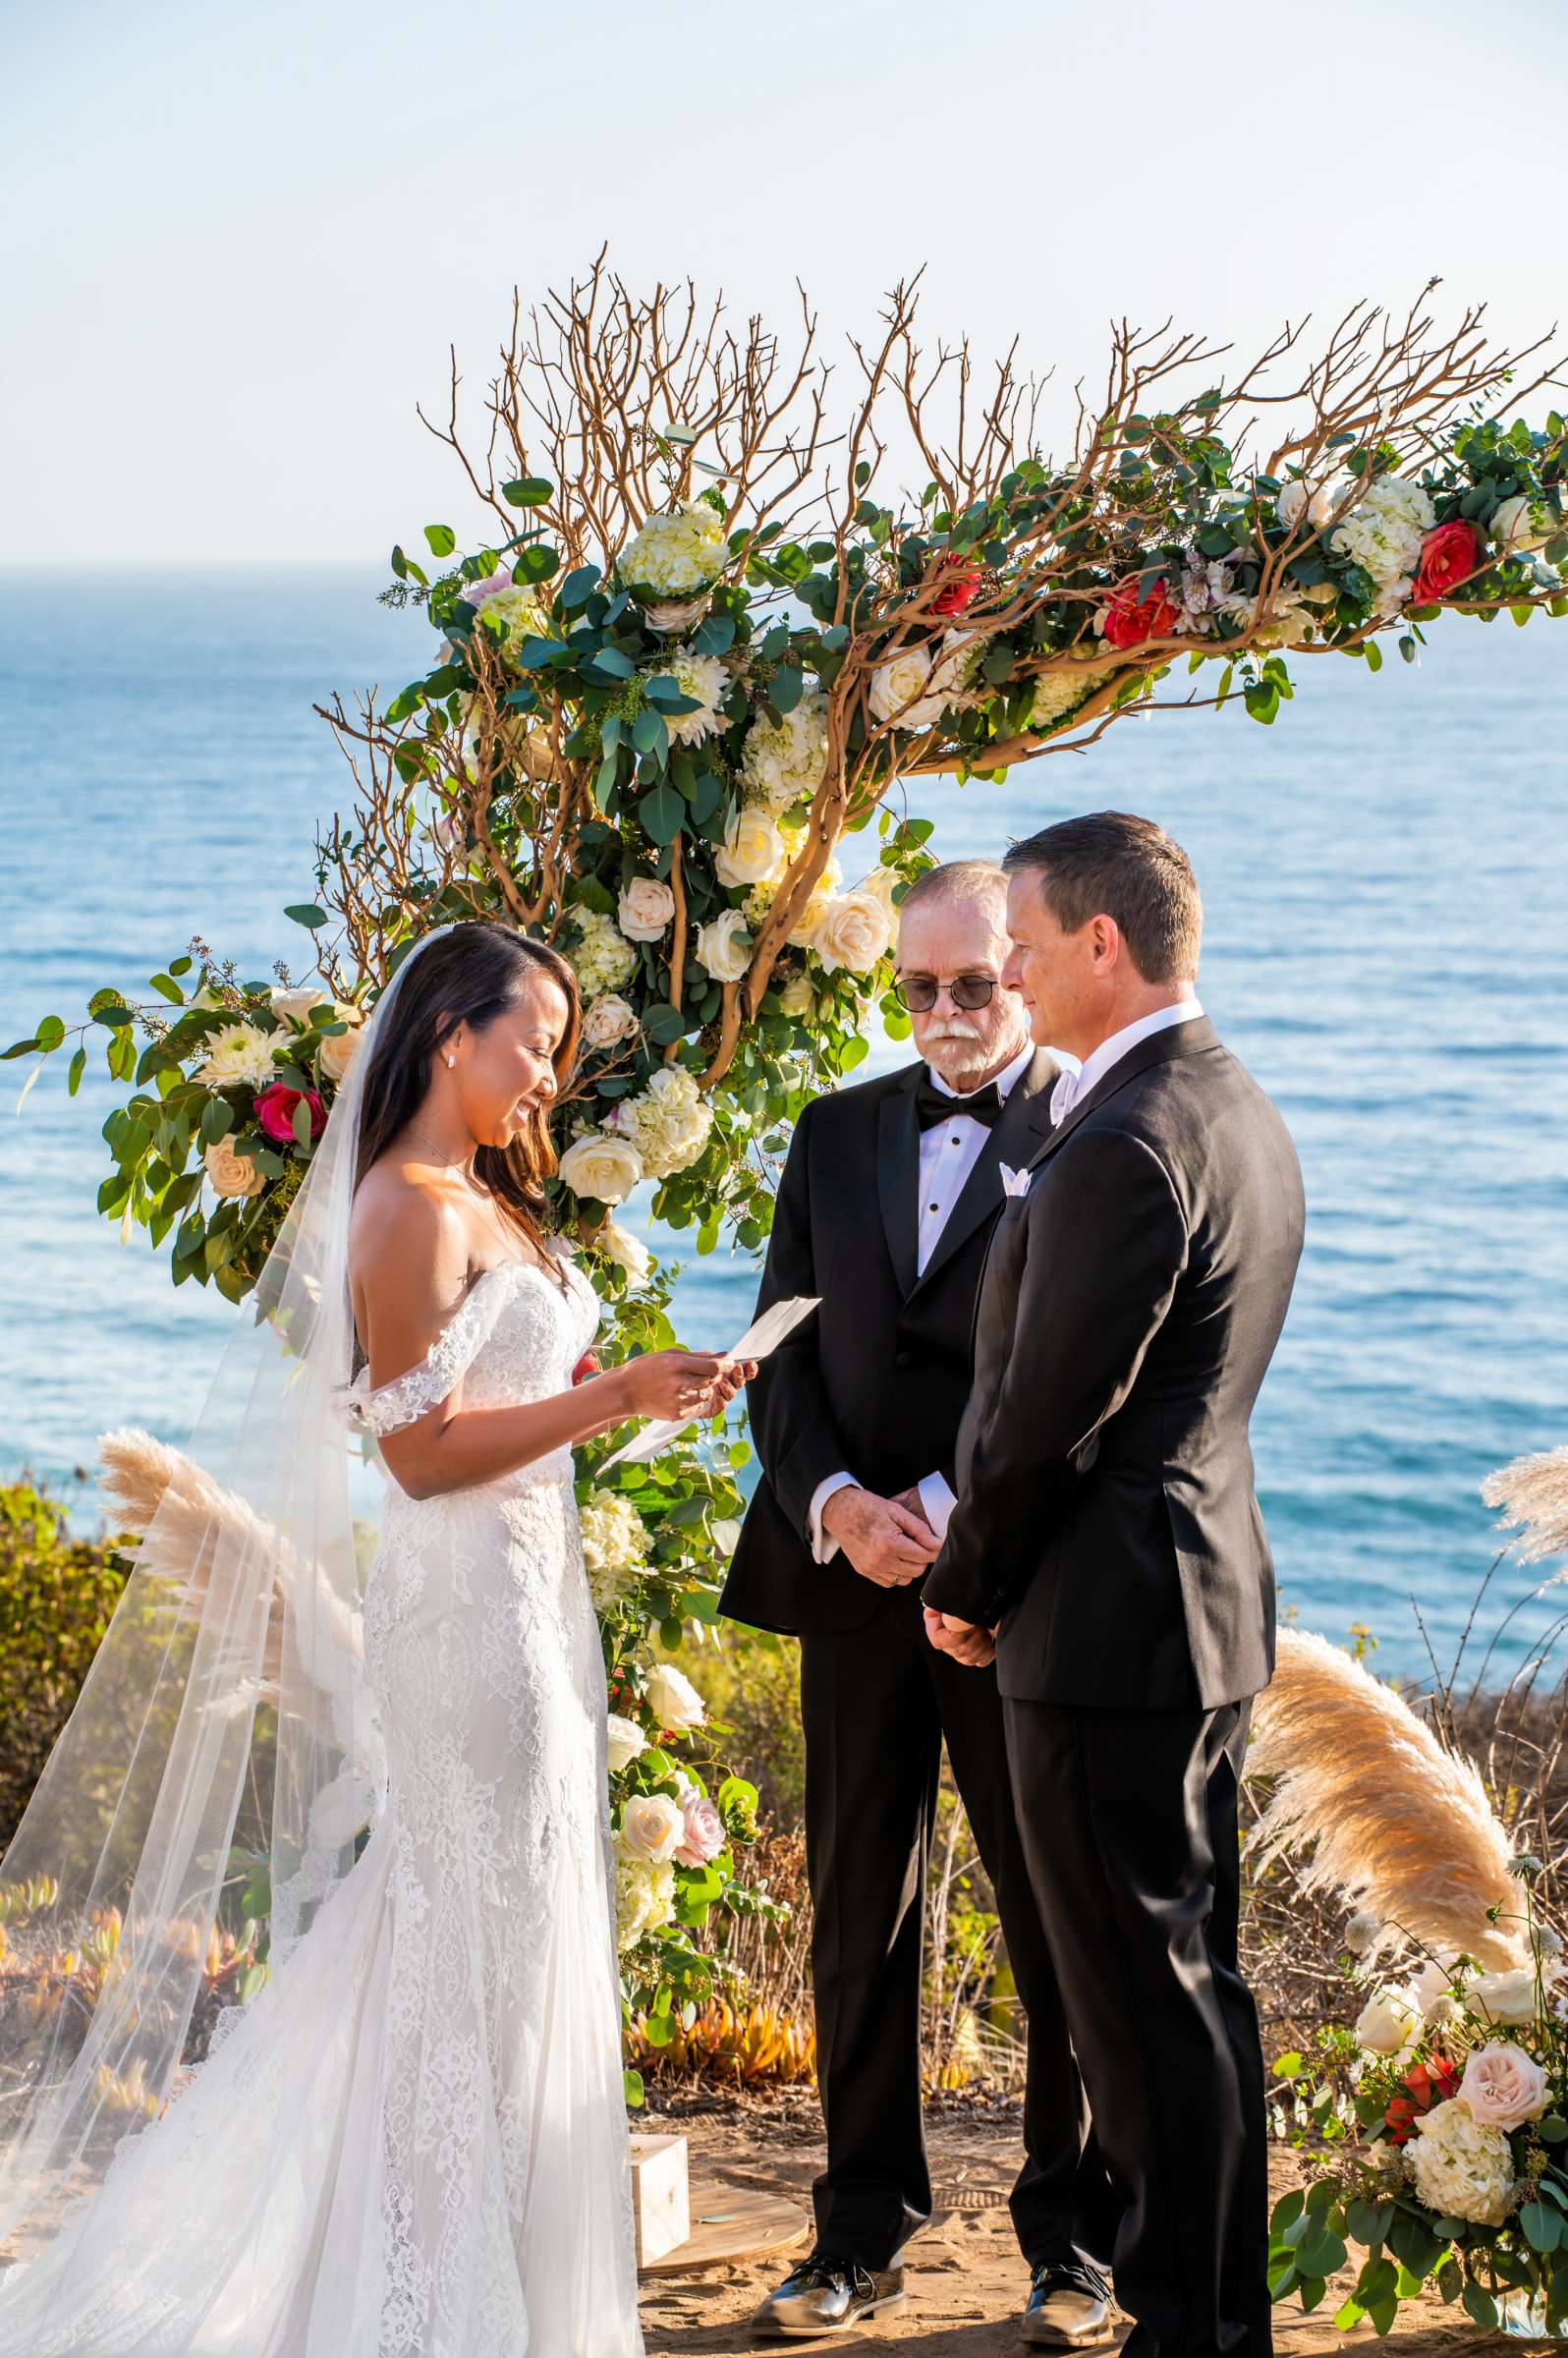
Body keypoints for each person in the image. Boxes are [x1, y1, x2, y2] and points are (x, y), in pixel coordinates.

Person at [0, 921, 751, 2357]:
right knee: (458, 1940)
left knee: (504, 1932)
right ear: (452, 1035)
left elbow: (492, 1390)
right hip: (463, 1619)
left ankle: (473, 2260)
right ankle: (425, 2288)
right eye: (534, 1039)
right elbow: (415, 1458)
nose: (551, 1072)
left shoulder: (482, 1193)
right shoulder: (406, 1204)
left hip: (531, 1602)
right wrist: (613, 1402)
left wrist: (636, 1389)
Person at [923, 814, 1306, 2358]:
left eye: (1020, 939)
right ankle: (1218, 2323)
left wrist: (967, 1581)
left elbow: (1043, 1421)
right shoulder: (1232, 1105)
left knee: (1135, 2011)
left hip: (1100, 1632)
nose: (1003, 967)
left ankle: (1186, 2332)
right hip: (1197, 1610)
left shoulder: (1130, 1138)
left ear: (1100, 944)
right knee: (1192, 1986)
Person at [724, 861, 1117, 2344]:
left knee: (1047, 1915)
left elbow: (1076, 1367)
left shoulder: (1090, 1127)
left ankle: (1071, 2239)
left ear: (1023, 971)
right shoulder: (830, 1134)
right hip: (848, 1589)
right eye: (919, 988)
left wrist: (948, 1523)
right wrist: (833, 1505)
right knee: (856, 1915)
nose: (946, 1013)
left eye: (974, 984)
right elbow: (777, 1352)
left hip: (1010, 1587)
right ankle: (855, 2226)